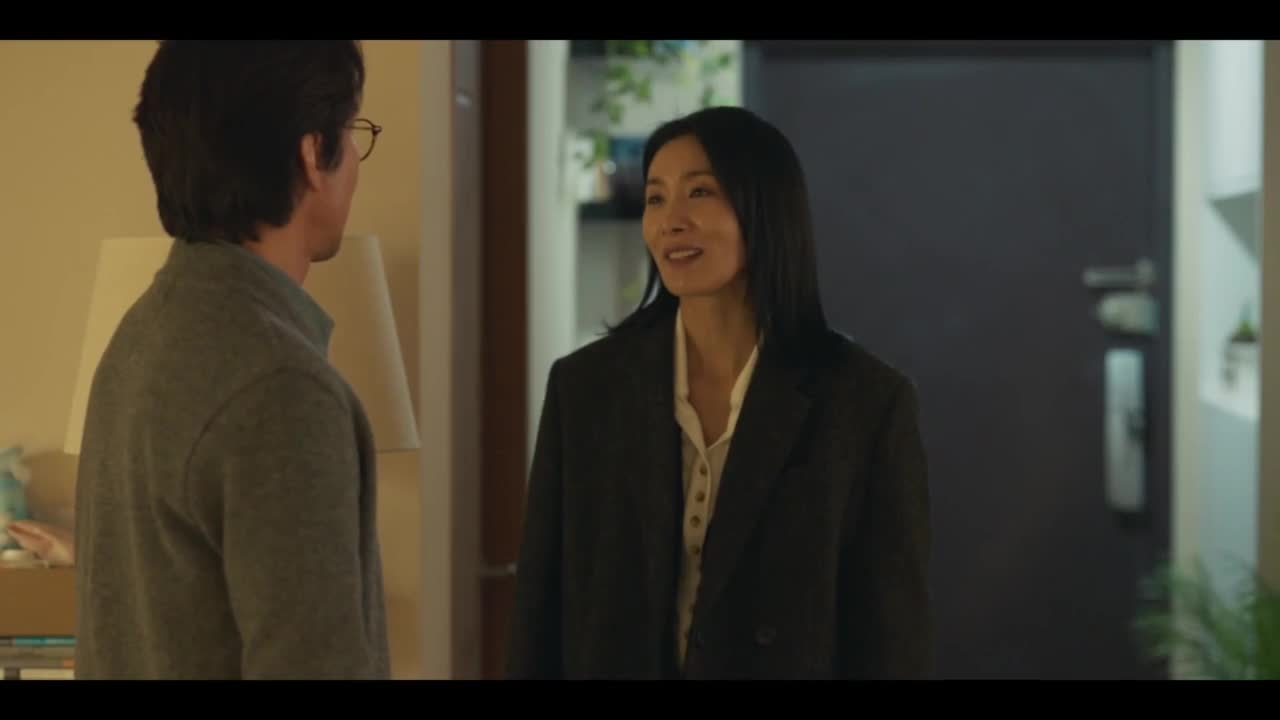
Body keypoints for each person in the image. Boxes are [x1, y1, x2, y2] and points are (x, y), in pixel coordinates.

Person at [506, 106, 932, 680]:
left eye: (700, 192)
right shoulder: (586, 389)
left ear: (765, 209)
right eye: (655, 198)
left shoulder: (864, 403)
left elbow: (894, 638)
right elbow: (539, 611)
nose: (670, 221)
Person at [73, 41, 390, 680]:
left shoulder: (142, 333)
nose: (357, 160)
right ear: (312, 153)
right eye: (351, 131)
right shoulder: (280, 385)